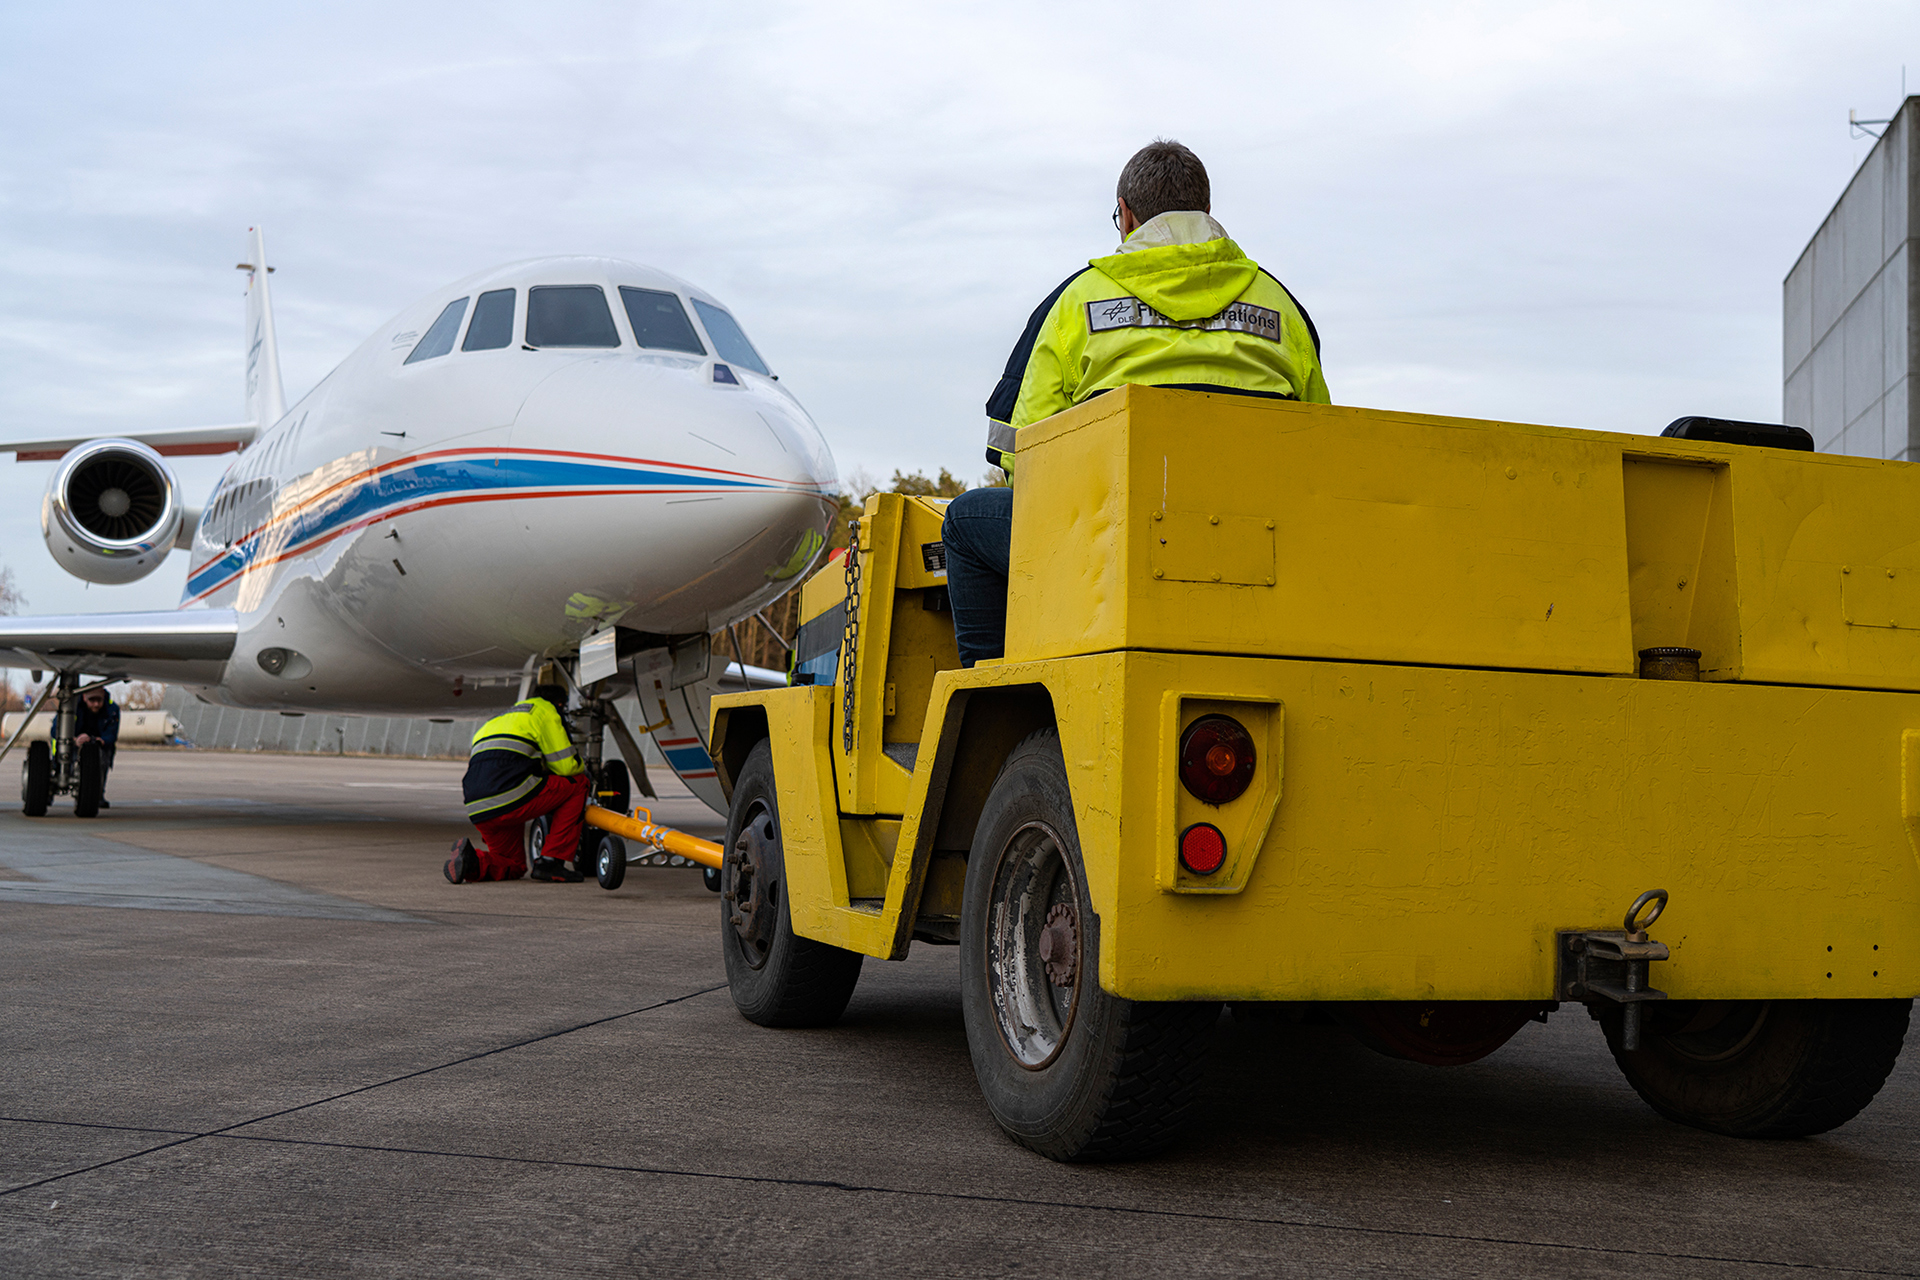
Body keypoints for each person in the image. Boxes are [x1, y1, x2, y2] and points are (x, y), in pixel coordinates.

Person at [943, 139, 1331, 667]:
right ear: (1207, 212)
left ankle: (991, 691)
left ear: (1125, 215)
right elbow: (1322, 444)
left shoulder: (1075, 302)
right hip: (1255, 548)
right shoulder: (1281, 307)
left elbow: (1020, 452)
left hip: (1108, 549)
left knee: (965, 522)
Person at [444, 684, 589, 884]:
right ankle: (550, 862)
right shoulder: (546, 711)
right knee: (578, 784)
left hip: (478, 807)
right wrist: (583, 765)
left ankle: (472, 862)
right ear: (559, 704)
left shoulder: (500, 718)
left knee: (513, 864)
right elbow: (566, 768)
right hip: (510, 796)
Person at [72, 686, 120, 808]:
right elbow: (55, 729)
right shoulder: (72, 708)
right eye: (92, 701)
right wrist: (73, 739)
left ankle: (97, 794)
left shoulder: (112, 709)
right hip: (75, 743)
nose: (96, 704)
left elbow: (112, 734)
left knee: (102, 760)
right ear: (84, 698)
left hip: (99, 744)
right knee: (63, 754)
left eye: (99, 701)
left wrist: (100, 740)